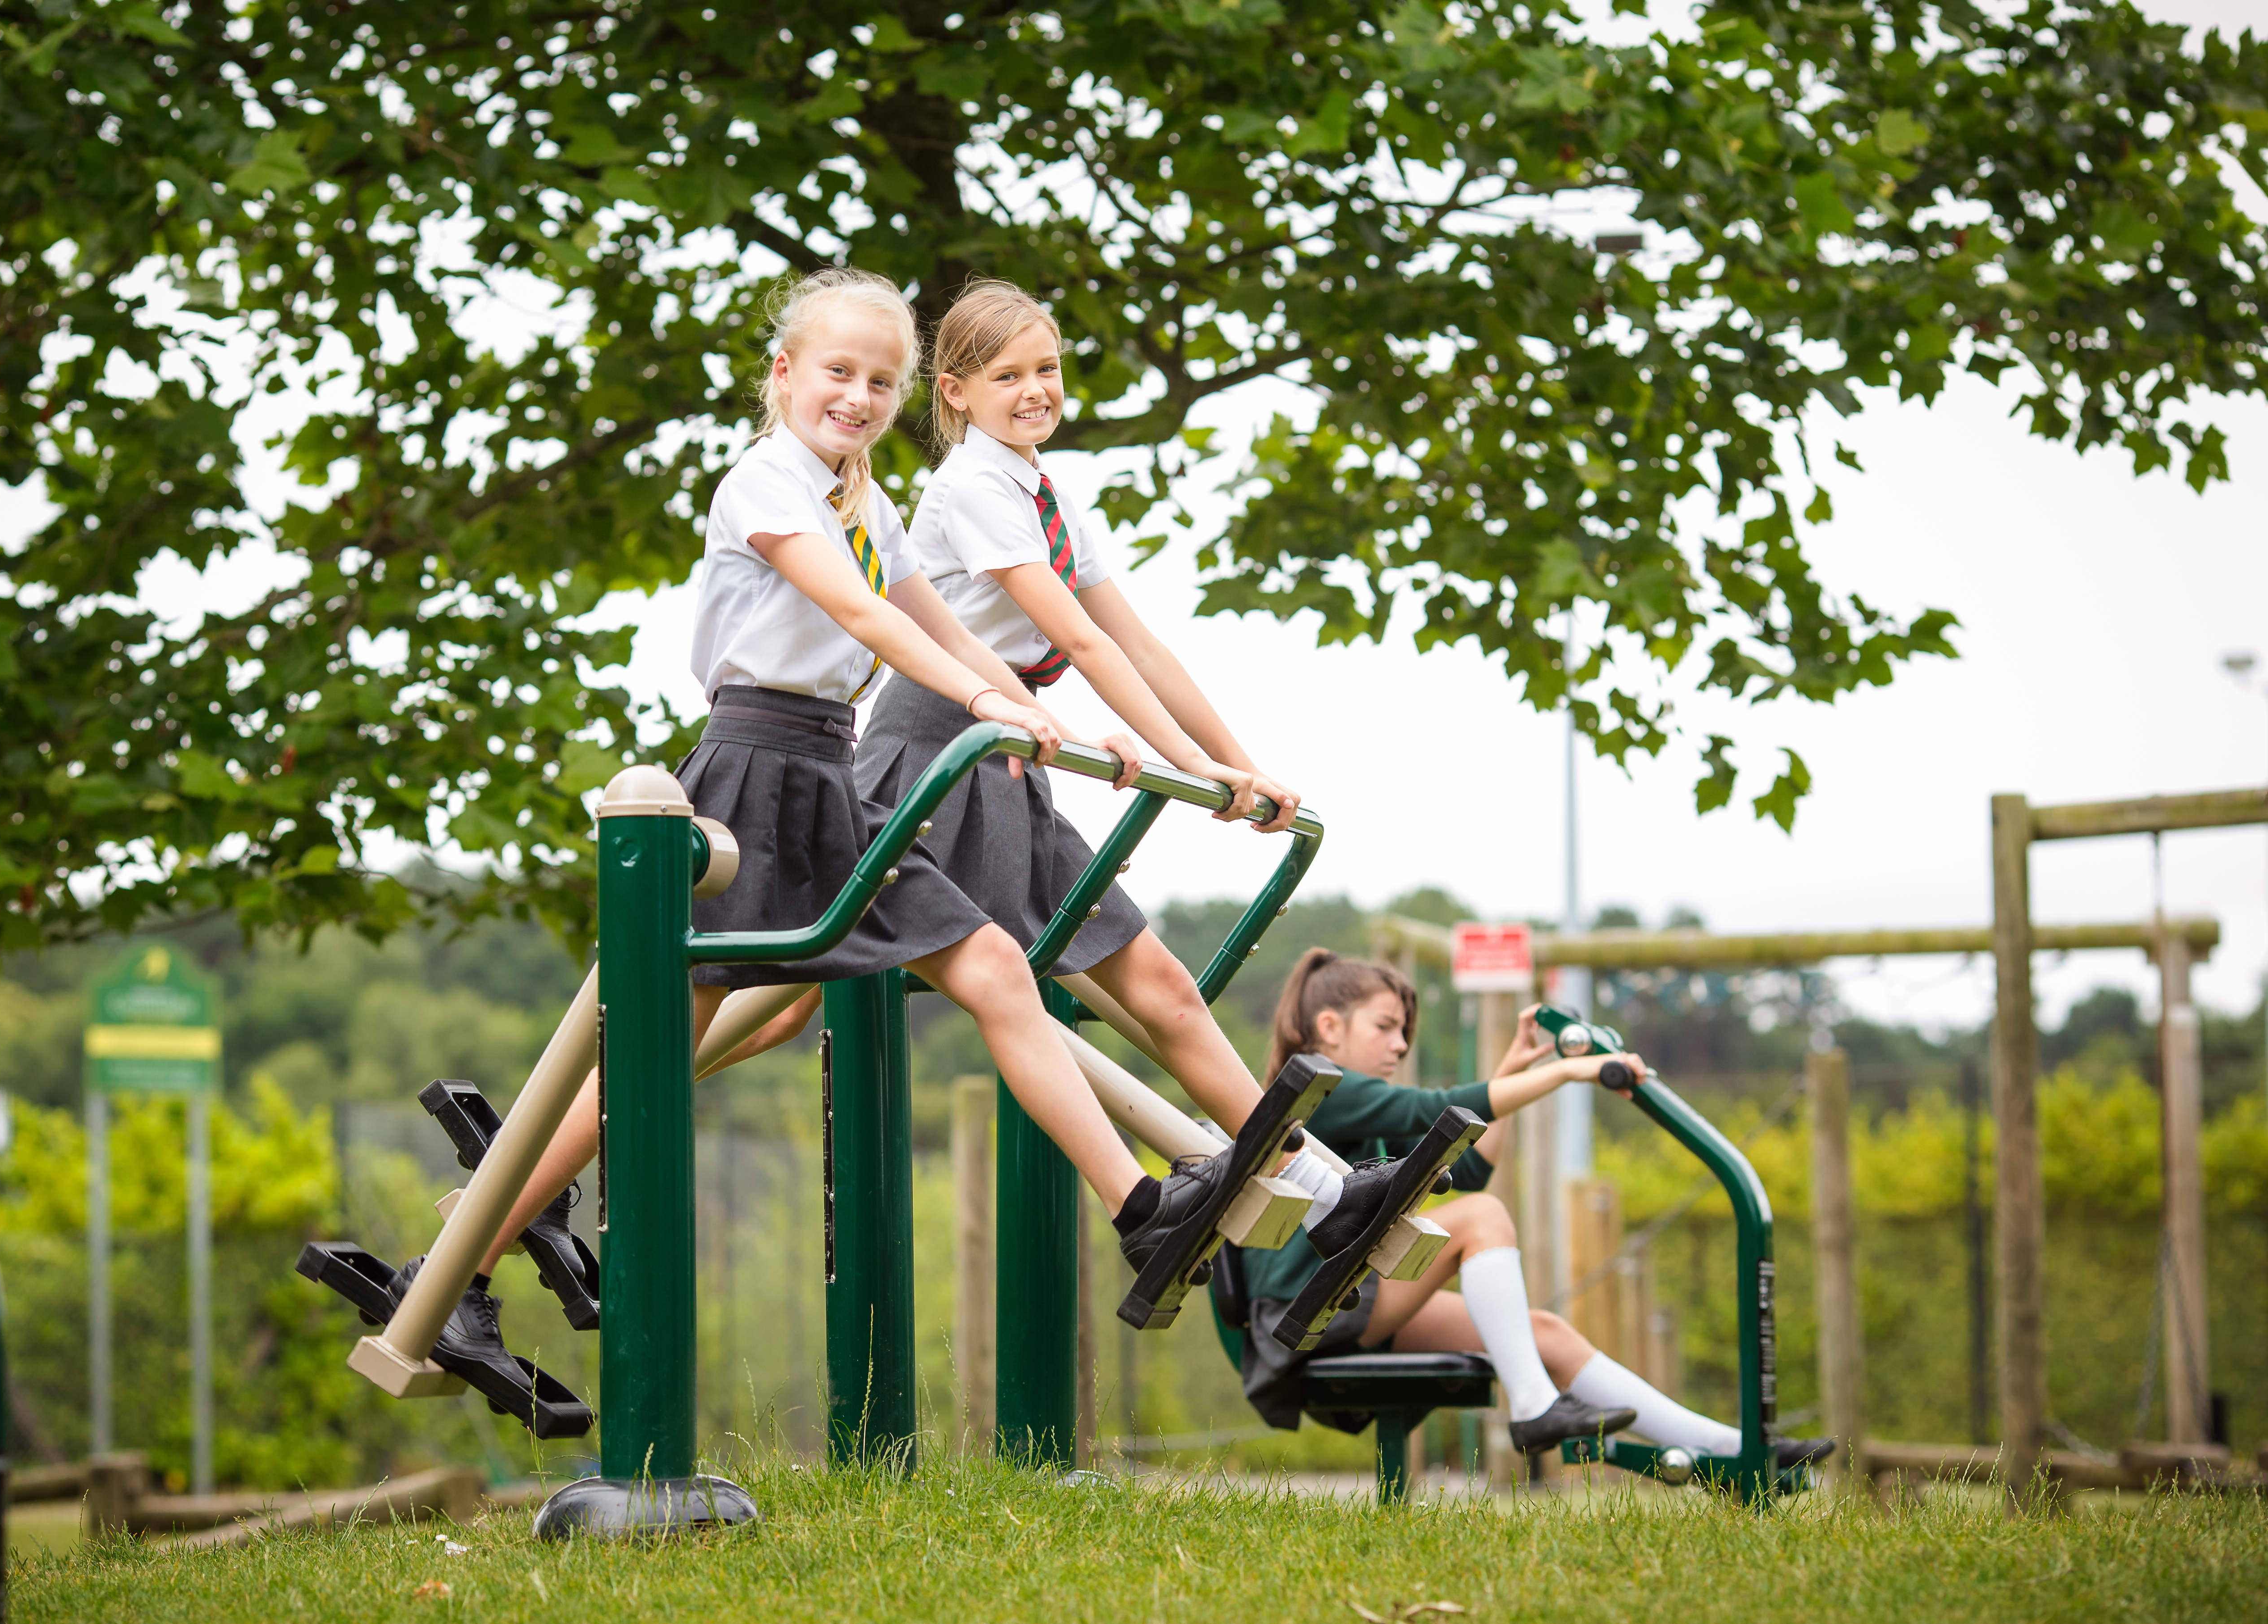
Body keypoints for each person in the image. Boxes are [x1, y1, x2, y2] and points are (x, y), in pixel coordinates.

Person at [390, 269, 1292, 1409]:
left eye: (879, 381)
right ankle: (459, 1261)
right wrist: (998, 706)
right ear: (783, 374)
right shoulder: (765, 481)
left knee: (994, 968)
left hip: (827, 769)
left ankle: (1142, 1210)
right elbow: (863, 616)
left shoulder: (859, 497)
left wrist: (1033, 705)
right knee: (662, 1040)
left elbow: (933, 618)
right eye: (837, 373)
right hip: (752, 769)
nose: (858, 397)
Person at [851, 278, 1433, 1268]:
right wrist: (1185, 764)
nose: (1035, 391)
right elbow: (1075, 638)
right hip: (939, 753)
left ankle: (1324, 1186)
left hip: (1014, 758)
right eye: (1008, 376)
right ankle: (597, 1106)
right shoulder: (970, 490)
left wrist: (1240, 771)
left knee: (1159, 978)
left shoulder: (1047, 491)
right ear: (953, 391)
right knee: (783, 992)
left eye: (1047, 370)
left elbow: (1138, 642)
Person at [1235, 949, 1833, 1467]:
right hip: (1300, 1311)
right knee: (1482, 1217)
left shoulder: (1359, 1112)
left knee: (1542, 1330)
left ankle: (1731, 1451)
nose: (1399, 1044)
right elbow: (1442, 1108)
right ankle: (1533, 1407)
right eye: (1386, 1027)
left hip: (1342, 1298)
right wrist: (1572, 1072)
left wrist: (1513, 1076)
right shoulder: (1321, 1089)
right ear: (1330, 1026)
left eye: (1405, 1033)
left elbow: (1463, 1165)